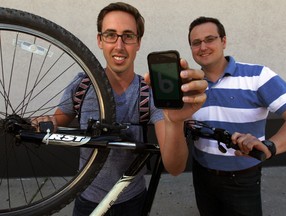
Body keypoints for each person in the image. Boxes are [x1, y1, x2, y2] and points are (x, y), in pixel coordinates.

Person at [33, 3, 207, 216]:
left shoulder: (149, 92)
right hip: (86, 200)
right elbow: (58, 120)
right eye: (110, 35)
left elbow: (175, 167)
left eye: (128, 36)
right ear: (99, 40)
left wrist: (176, 121)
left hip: (131, 201)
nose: (119, 45)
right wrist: (45, 122)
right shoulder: (82, 86)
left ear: (138, 43)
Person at [185, 16, 286, 216]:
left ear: (223, 41)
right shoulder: (190, 87)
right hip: (201, 174)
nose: (203, 47)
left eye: (209, 39)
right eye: (196, 43)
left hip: (243, 178)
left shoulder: (258, 76)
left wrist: (269, 147)